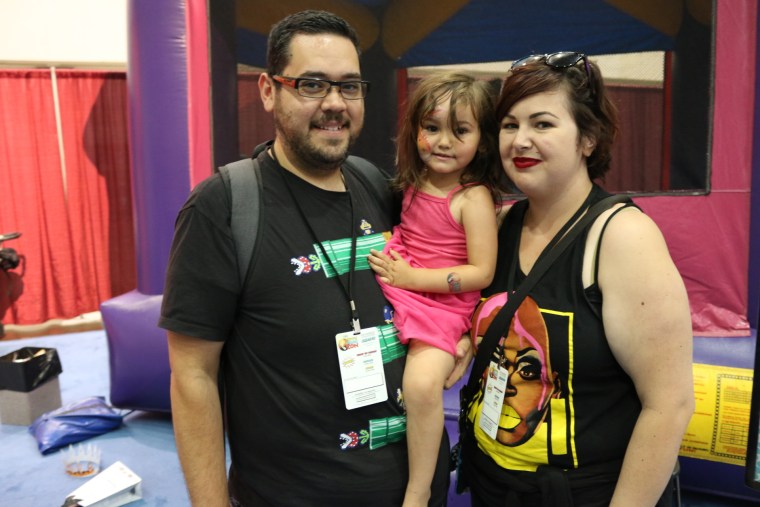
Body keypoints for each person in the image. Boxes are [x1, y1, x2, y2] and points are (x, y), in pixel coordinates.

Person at [158, 10, 469, 507]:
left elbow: (447, 259)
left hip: (415, 490)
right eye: (311, 84)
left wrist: (465, 333)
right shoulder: (225, 206)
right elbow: (193, 376)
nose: (334, 104)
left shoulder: (374, 184)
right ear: (267, 91)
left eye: (349, 86)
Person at [460, 52, 694, 506]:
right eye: (510, 125)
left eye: (542, 124)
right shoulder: (501, 226)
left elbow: (669, 405)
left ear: (588, 138)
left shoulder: (621, 237)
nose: (520, 141)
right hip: (495, 485)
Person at [367, 72, 503, 507]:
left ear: (481, 142)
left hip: (440, 307)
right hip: (401, 282)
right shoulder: (411, 182)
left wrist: (413, 279)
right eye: (432, 128)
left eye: (459, 131)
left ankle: (419, 487)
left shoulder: (472, 197)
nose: (443, 141)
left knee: (423, 385)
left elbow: (481, 272)